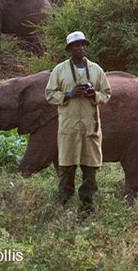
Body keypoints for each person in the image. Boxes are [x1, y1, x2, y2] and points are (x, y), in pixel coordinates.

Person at [46, 31, 112, 212]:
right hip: (69, 126)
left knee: (90, 168)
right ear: (69, 49)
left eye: (83, 44)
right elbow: (49, 94)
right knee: (67, 168)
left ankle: (86, 208)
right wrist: (68, 94)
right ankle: (64, 205)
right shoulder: (60, 70)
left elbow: (107, 93)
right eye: (76, 45)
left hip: (91, 126)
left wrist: (94, 95)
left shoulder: (96, 70)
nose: (80, 47)